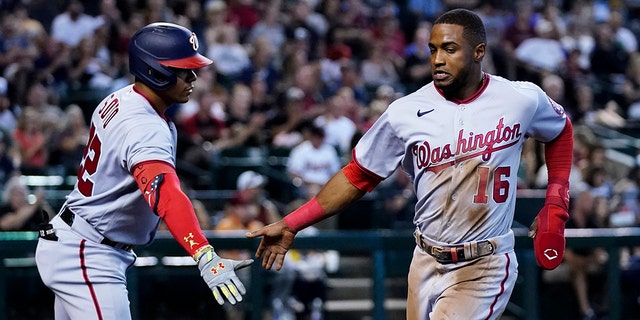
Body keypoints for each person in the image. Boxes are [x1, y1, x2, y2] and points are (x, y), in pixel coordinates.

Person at [247, 8, 574, 320]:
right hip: (424, 259)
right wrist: (293, 223)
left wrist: (556, 202)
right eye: (433, 50)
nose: (438, 59)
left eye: (449, 49)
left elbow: (560, 131)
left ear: (478, 52)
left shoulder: (520, 99)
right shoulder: (405, 110)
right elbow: (358, 176)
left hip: (484, 262)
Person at [34, 22, 253, 319]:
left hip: (79, 239)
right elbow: (166, 195)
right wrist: (204, 254)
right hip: (89, 252)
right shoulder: (144, 126)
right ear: (154, 71)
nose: (193, 77)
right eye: (183, 70)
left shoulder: (121, 97)